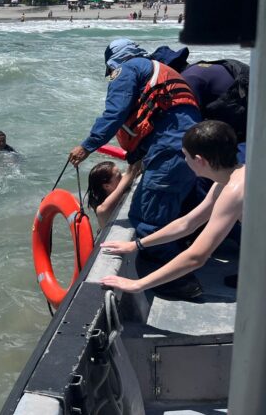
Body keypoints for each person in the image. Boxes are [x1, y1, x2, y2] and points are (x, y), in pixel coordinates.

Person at [100, 120, 244, 415]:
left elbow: (196, 256)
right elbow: (188, 222)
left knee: (253, 355)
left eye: (186, 157)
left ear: (200, 160)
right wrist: (137, 245)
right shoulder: (231, 179)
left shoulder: (234, 190)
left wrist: (138, 284)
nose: (185, 162)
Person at [68, 38, 202, 298]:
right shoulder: (158, 68)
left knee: (146, 218)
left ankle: (180, 281)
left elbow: (115, 113)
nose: (111, 74)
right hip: (189, 149)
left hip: (170, 151)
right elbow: (161, 116)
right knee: (172, 210)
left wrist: (86, 147)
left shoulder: (126, 69)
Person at [87, 160, 142, 230]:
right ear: (107, 186)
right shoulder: (102, 210)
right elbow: (130, 173)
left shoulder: (116, 184)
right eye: (119, 176)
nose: (123, 176)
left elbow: (132, 171)